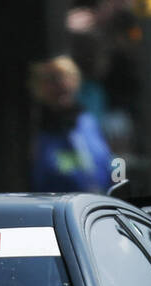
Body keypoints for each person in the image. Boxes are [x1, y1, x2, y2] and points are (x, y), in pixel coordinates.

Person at [29, 55, 112, 194]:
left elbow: (104, 162)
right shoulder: (37, 129)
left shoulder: (87, 122)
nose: (61, 84)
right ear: (40, 87)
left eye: (66, 77)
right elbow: (48, 170)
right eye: (52, 80)